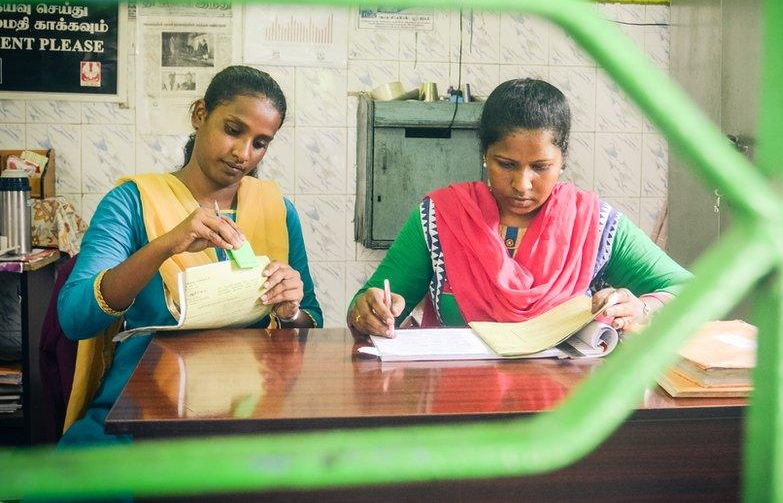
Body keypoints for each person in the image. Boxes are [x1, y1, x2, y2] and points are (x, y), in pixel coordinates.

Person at [58, 65, 322, 446]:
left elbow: (309, 326)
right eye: (233, 130)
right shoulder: (132, 203)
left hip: (252, 412)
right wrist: (165, 244)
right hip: (141, 412)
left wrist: (290, 311)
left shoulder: (277, 211)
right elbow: (74, 318)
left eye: (260, 142)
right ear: (200, 115)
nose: (243, 154)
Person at [347, 78, 691, 338]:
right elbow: (363, 308)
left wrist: (643, 309)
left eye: (540, 167)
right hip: (456, 404)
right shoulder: (441, 218)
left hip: (566, 412)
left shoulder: (593, 224)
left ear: (563, 159)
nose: (522, 184)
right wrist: (369, 311)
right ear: (484, 154)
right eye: (506, 164)